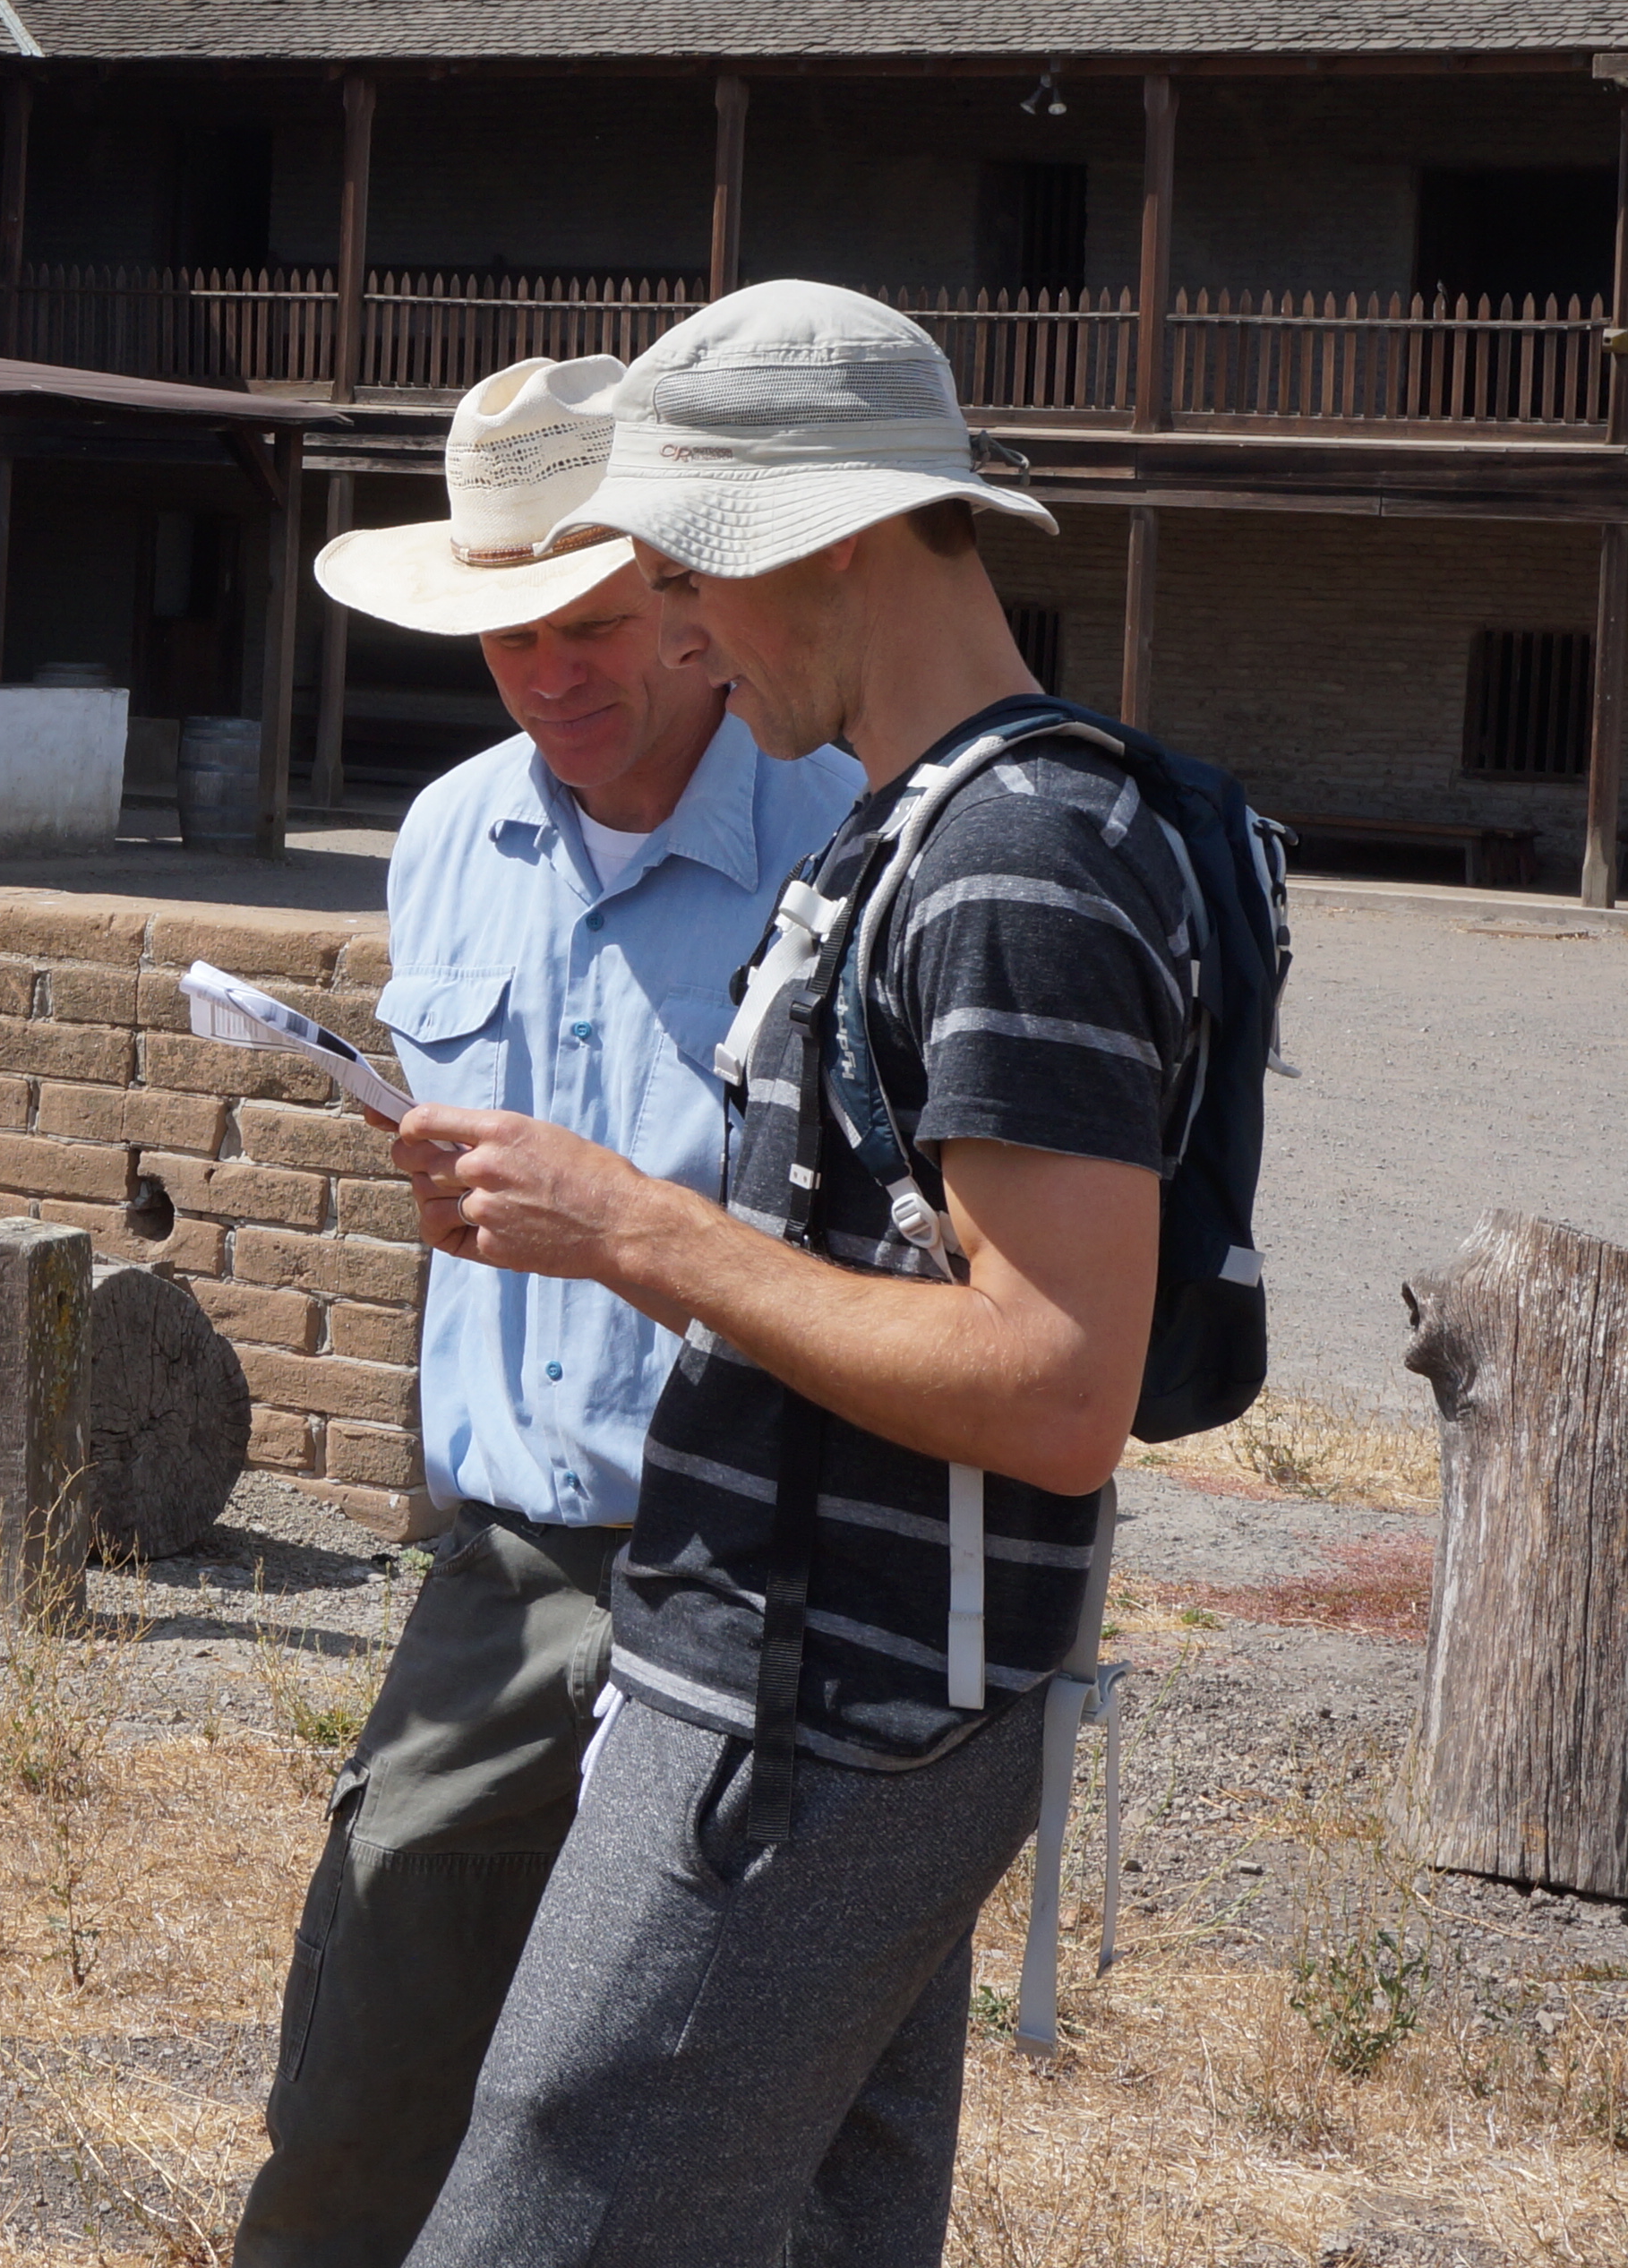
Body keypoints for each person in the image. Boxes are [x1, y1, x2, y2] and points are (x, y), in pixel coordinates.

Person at [398, 282, 1191, 2268]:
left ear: (819, 546)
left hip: (823, 1697)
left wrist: (631, 1230)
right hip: (809, 1669)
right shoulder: (916, 831)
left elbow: (1054, 1382)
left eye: (684, 580)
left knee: (545, 2192)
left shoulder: (1013, 865)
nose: (666, 638)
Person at [237, 356, 862, 2268]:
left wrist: (634, 1230)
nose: (543, 676)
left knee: (707, 2119)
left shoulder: (848, 846)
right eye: (497, 633)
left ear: (692, 598)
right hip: (501, 1566)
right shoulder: (445, 836)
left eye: (585, 624)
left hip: (762, 1562)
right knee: (366, 2069)